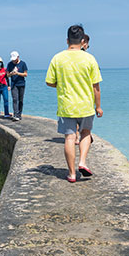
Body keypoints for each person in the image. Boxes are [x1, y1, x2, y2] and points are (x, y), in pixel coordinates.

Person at [45, 24, 103, 183]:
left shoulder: (58, 58)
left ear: (67, 40)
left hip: (66, 107)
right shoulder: (90, 58)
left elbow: (49, 82)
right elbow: (96, 87)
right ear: (83, 40)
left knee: (70, 138)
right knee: (85, 133)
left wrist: (63, 84)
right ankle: (82, 162)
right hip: (86, 106)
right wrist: (98, 106)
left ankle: (71, 174)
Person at [6, 50, 28, 121]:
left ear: (18, 57)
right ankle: (15, 114)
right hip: (14, 84)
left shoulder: (23, 63)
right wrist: (12, 73)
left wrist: (17, 73)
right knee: (15, 99)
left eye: (15, 59)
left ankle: (19, 114)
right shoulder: (9, 64)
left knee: (20, 100)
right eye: (13, 59)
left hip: (21, 84)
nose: (14, 61)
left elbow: (25, 74)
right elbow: (7, 75)